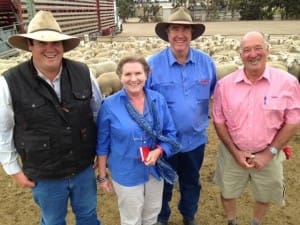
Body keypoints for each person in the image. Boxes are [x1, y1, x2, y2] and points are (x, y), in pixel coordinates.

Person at [0, 11, 102, 225]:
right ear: (30, 45)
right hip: (44, 173)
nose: (50, 48)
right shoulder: (10, 82)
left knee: (88, 216)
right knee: (53, 220)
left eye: (56, 42)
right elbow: (3, 129)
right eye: (41, 43)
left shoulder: (84, 73)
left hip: (83, 168)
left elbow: (98, 114)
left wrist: (100, 154)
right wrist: (13, 170)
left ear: (63, 46)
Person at [212, 31, 300, 225]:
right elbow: (218, 121)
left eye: (258, 48)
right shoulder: (224, 85)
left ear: (267, 50)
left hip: (269, 152)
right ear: (240, 54)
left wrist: (269, 153)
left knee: (264, 194)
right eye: (247, 50)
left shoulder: (288, 83)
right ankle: (231, 221)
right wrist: (235, 153)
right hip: (232, 152)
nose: (253, 54)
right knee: (227, 192)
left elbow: (293, 121)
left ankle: (256, 222)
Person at [146, 7, 217, 225]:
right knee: (163, 184)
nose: (180, 34)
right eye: (175, 29)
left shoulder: (207, 63)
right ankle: (162, 217)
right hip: (164, 143)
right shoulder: (152, 65)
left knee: (191, 182)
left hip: (195, 141)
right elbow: (143, 103)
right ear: (167, 33)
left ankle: (189, 215)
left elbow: (213, 94)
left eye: (185, 29)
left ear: (192, 34)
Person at [96, 56, 180, 225]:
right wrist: (103, 176)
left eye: (138, 73)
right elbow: (102, 143)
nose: (133, 79)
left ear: (146, 75)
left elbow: (170, 133)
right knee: (131, 218)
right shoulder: (110, 105)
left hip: (155, 170)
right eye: (128, 74)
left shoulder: (158, 100)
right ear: (120, 77)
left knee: (152, 214)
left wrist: (158, 151)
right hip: (126, 171)